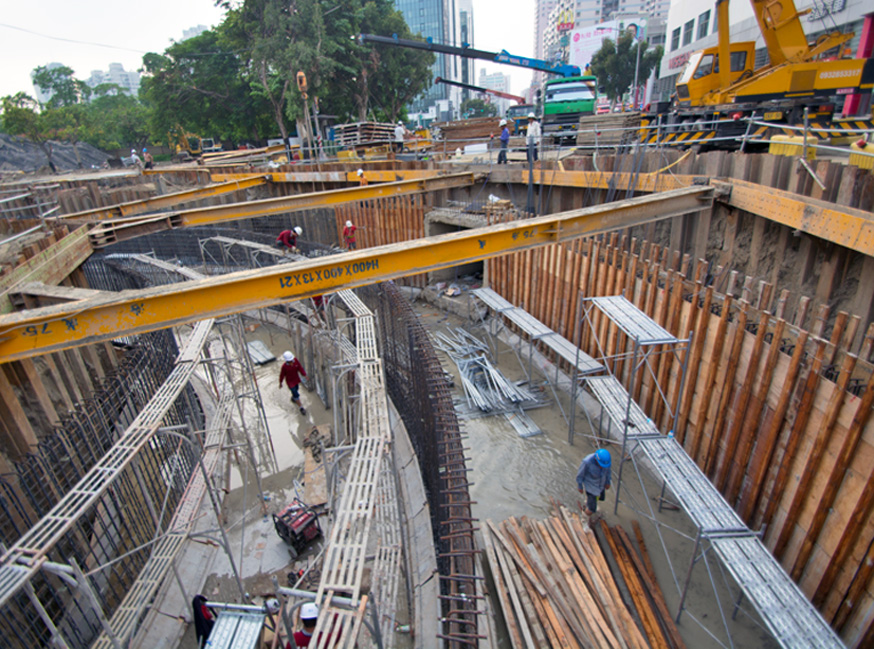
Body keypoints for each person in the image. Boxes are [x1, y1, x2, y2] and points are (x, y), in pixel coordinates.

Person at [576, 448, 611, 519]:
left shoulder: (606, 462)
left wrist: (607, 482)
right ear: (596, 459)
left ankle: (588, 502)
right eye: (600, 465)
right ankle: (584, 519)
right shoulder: (587, 462)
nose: (601, 467)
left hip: (600, 485)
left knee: (600, 497)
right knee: (592, 509)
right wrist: (580, 486)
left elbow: (608, 471)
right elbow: (580, 475)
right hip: (591, 487)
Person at [279, 351, 307, 415]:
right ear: (287, 361)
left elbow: (300, 368)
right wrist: (280, 382)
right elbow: (282, 375)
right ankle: (301, 407)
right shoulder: (284, 367)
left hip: (296, 380)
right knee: (296, 393)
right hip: (290, 382)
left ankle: (294, 398)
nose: (291, 362)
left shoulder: (296, 361)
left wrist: (304, 375)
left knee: (296, 389)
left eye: (291, 360)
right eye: (289, 361)